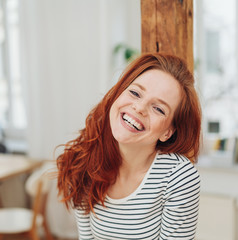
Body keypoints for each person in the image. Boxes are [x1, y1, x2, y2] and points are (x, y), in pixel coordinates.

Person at [57, 52, 202, 239]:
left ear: (168, 132)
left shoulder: (178, 178)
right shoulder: (85, 161)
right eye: (135, 93)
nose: (139, 108)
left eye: (158, 109)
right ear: (119, 93)